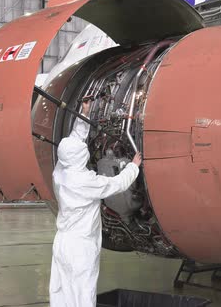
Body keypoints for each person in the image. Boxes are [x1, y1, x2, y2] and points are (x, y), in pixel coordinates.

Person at [49, 99, 142, 307]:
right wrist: (133, 167)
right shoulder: (86, 182)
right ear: (80, 157)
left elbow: (73, 142)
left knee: (61, 291)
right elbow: (117, 184)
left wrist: (84, 114)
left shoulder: (60, 173)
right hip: (81, 246)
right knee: (83, 294)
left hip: (62, 242)